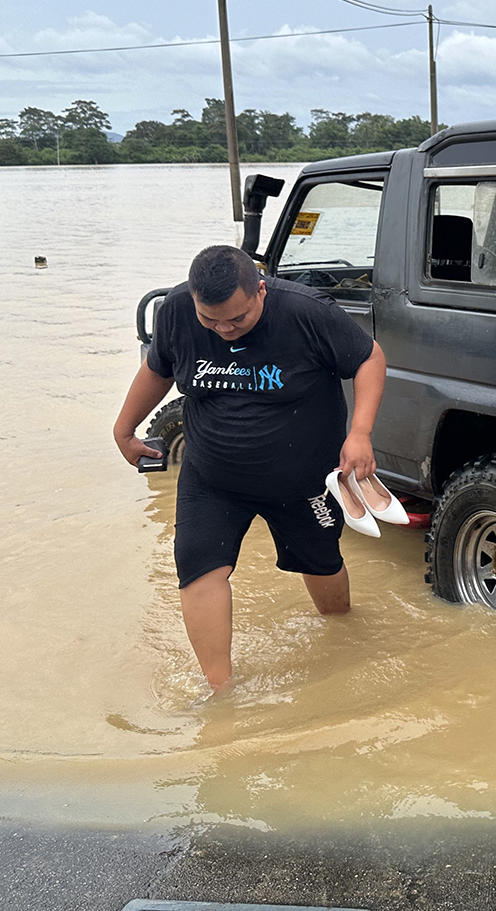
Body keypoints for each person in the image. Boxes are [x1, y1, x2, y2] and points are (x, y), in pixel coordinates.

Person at [112, 244, 387, 693]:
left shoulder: (307, 312)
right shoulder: (178, 310)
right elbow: (158, 368)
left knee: (322, 568)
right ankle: (220, 693)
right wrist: (124, 429)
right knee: (198, 566)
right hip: (212, 477)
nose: (223, 330)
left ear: (260, 290)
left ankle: (346, 636)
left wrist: (360, 433)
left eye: (236, 319)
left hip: (303, 480)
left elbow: (368, 358)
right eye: (210, 320)